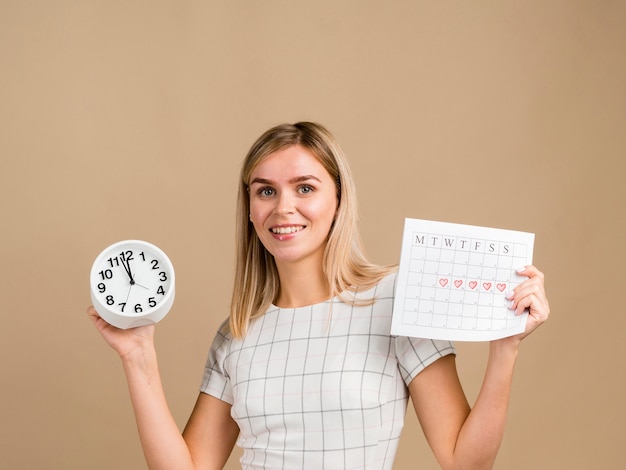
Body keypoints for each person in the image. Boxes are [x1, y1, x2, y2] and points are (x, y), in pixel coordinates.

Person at [88, 121, 550, 469]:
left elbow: (464, 461)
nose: (282, 207)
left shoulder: (394, 301)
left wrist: (505, 347)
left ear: (338, 199)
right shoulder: (237, 333)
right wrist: (138, 356)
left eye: (304, 188)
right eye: (265, 191)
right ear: (250, 209)